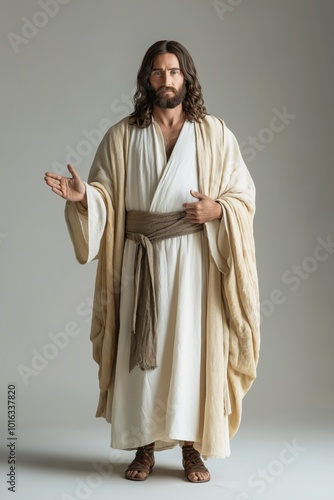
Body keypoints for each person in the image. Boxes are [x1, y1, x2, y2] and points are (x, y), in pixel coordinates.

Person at [44, 40, 260, 483]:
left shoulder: (214, 134)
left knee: (190, 351)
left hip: (195, 261)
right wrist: (85, 198)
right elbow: (105, 193)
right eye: (158, 72)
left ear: (187, 78)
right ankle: (143, 449)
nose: (167, 81)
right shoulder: (123, 134)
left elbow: (243, 195)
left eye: (175, 72)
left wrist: (218, 211)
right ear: (147, 78)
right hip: (138, 259)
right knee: (141, 354)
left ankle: (191, 449)